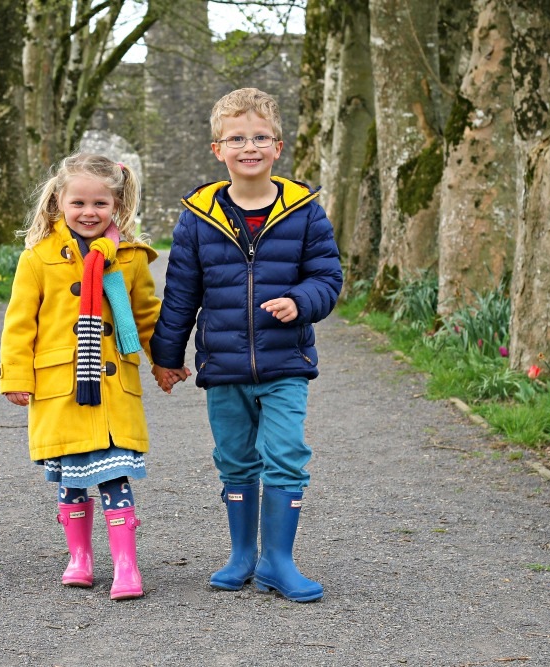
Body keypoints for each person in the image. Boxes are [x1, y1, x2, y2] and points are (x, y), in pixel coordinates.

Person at [150, 88, 342, 603]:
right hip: (225, 366)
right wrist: (167, 358)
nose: (249, 146)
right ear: (218, 149)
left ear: (278, 147)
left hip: (286, 363)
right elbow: (181, 294)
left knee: (285, 454)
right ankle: (242, 553)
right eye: (237, 138)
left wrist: (301, 301)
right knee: (234, 459)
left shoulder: (305, 214)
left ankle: (279, 560)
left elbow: (327, 277)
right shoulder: (198, 218)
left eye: (260, 137)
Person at [0, 153, 162, 600]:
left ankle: (126, 566)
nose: (89, 213)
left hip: (112, 388)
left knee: (114, 476)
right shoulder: (38, 258)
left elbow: (147, 316)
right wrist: (17, 375)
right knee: (72, 478)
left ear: (117, 205)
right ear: (59, 202)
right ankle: (80, 558)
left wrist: (163, 361)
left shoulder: (128, 258)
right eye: (79, 203)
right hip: (62, 388)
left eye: (100, 204)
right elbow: (20, 323)